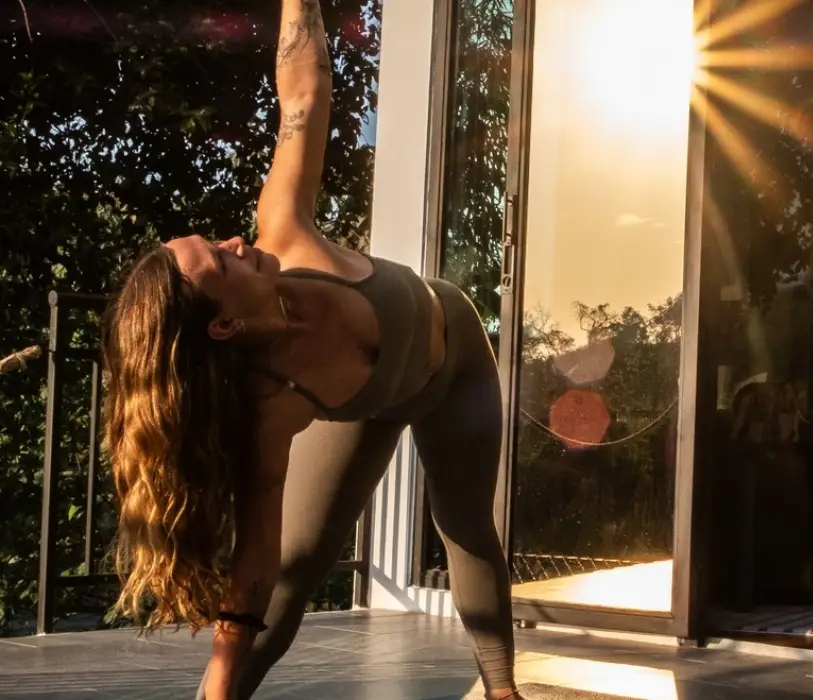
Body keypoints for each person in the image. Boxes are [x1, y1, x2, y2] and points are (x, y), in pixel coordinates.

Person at [100, 1, 523, 698]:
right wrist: (219, 676)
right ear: (225, 327)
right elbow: (259, 561)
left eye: (220, 240)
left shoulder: (284, 228)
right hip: (362, 404)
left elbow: (304, 88)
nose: (237, 242)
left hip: (457, 360)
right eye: (221, 259)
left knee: (466, 525)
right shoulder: (269, 405)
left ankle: (505, 693)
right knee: (298, 568)